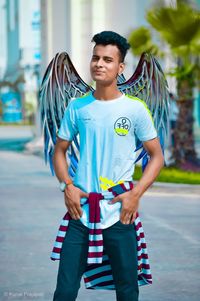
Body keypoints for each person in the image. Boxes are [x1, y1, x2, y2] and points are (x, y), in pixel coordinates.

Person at [52, 31, 164, 301]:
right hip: (81, 212)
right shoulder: (77, 107)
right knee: (65, 290)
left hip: (119, 212)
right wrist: (68, 186)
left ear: (120, 67)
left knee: (127, 290)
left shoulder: (135, 109)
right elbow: (60, 151)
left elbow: (157, 156)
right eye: (95, 58)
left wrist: (135, 194)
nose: (99, 64)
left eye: (107, 59)